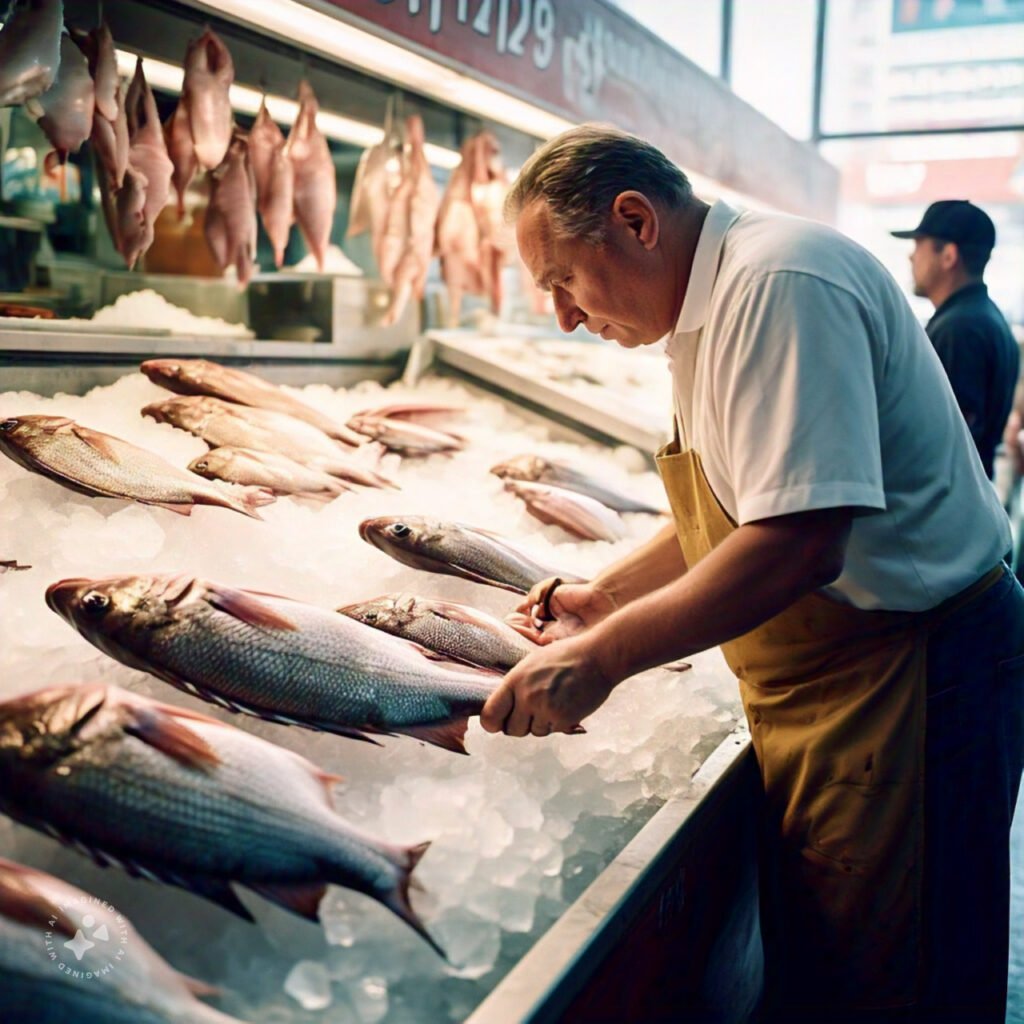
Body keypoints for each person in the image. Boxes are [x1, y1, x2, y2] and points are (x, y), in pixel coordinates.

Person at [480, 125, 1024, 1023]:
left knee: (898, 983)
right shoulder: (704, 313)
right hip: (845, 685)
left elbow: (801, 542)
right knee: (834, 964)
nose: (564, 316)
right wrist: (605, 594)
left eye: (562, 280)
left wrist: (602, 658)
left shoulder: (778, 284)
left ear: (634, 220)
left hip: (919, 679)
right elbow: (744, 508)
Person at [892, 199, 1018, 480]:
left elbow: (944, 436)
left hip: (947, 508)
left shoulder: (960, 328)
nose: (911, 257)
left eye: (918, 246)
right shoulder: (983, 317)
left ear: (948, 255)